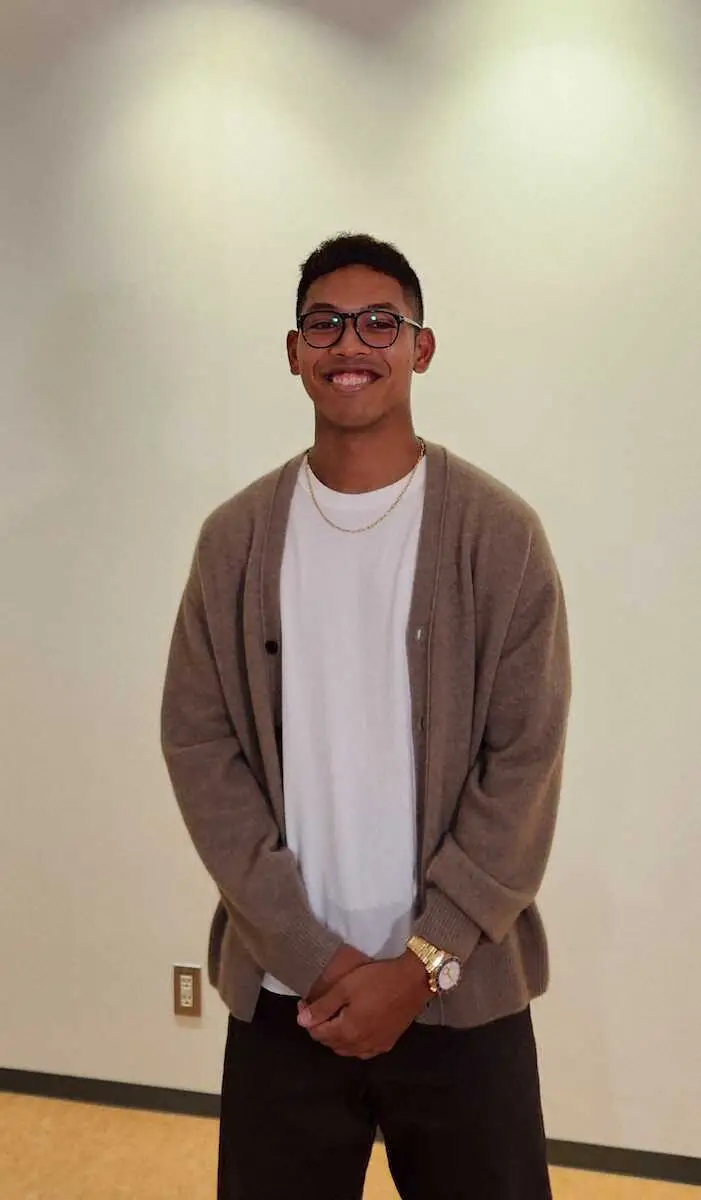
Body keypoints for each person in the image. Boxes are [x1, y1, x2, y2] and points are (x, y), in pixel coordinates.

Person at [161, 233, 571, 1199]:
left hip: (461, 993)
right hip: (286, 999)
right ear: (293, 351)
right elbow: (199, 745)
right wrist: (311, 958)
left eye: (380, 322)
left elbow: (524, 761)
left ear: (420, 347)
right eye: (324, 323)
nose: (351, 342)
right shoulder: (235, 541)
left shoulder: (497, 534)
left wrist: (420, 964)